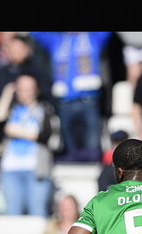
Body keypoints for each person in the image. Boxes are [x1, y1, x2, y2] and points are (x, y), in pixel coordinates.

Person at [31, 32, 112, 163]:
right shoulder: (57, 41)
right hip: (65, 101)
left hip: (89, 99)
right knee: (69, 145)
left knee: (91, 144)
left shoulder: (92, 38)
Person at [0, 74, 57, 217]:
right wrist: (7, 94)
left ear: (36, 90)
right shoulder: (13, 109)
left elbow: (45, 135)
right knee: (12, 212)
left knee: (37, 211)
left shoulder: (44, 109)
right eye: (19, 88)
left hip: (36, 169)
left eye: (28, 89)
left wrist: (15, 131)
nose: (23, 92)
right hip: (10, 169)